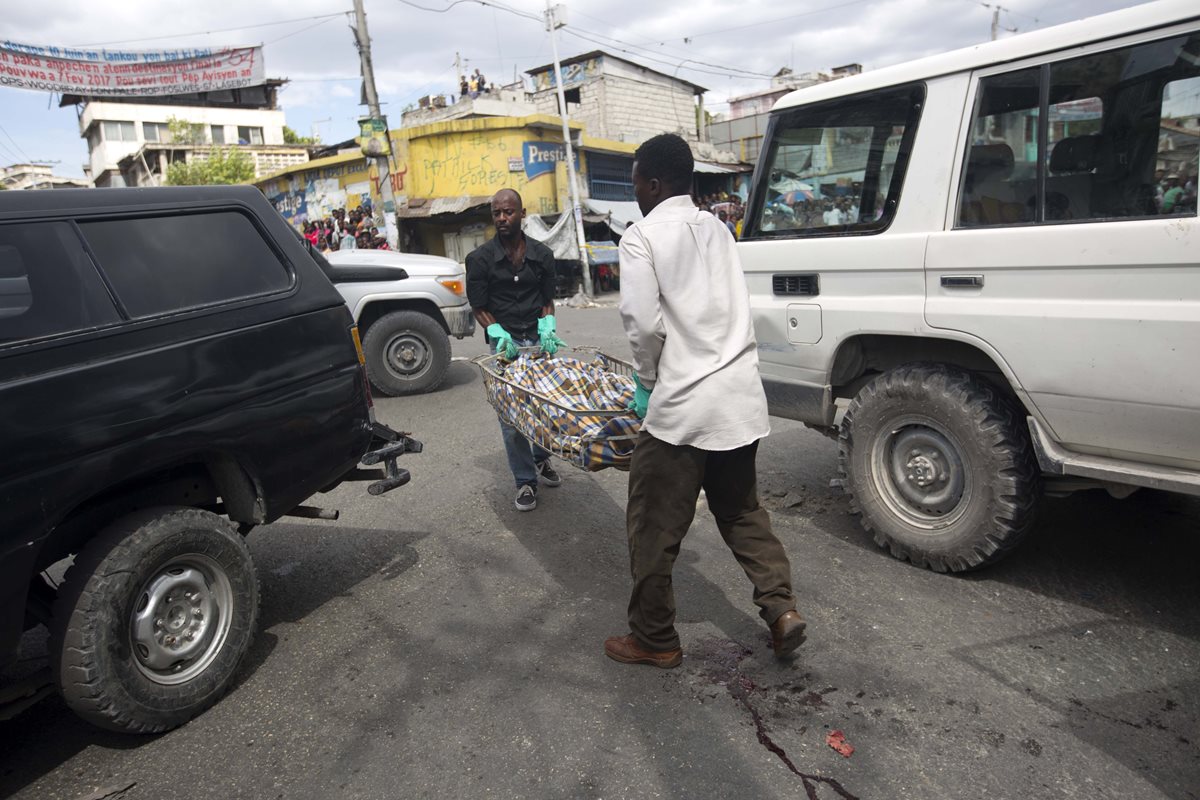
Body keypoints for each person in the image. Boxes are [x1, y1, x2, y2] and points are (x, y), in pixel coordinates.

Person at [605, 133, 806, 669]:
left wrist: (647, 381)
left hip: (682, 407)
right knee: (741, 512)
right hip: (738, 400)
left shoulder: (641, 237)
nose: (636, 196)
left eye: (636, 185)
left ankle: (653, 638)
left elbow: (642, 323)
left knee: (651, 527)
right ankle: (782, 610)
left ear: (652, 182)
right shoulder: (718, 229)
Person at [466, 188, 565, 512]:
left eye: (508, 212)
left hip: (537, 338)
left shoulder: (542, 255)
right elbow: (479, 306)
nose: (502, 218)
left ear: (522, 213)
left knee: (542, 406)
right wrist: (496, 331)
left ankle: (540, 458)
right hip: (504, 343)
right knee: (510, 416)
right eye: (496, 213)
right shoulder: (479, 259)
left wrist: (548, 326)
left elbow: (547, 300)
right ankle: (525, 480)